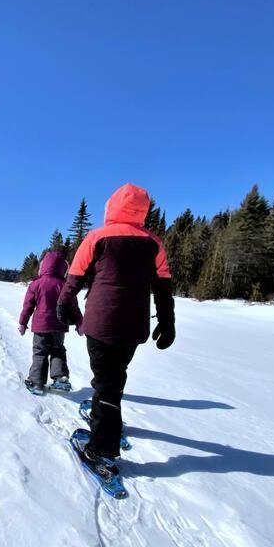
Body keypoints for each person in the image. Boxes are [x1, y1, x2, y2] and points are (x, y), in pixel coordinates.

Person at [57, 183, 175, 463]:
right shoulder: (153, 242)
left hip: (100, 323)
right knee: (114, 376)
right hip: (134, 328)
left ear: (111, 206)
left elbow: (74, 277)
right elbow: (163, 286)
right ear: (143, 211)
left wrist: (64, 304)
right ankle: (107, 420)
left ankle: (102, 450)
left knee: (106, 383)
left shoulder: (97, 237)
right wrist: (167, 320)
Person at [18, 249, 80, 394]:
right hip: (59, 325)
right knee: (58, 350)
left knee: (40, 352)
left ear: (43, 266)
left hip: (40, 326)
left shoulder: (36, 284)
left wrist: (23, 322)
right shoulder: (65, 285)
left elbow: (28, 306)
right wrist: (79, 321)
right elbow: (73, 305)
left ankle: (36, 382)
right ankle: (60, 378)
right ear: (63, 268)